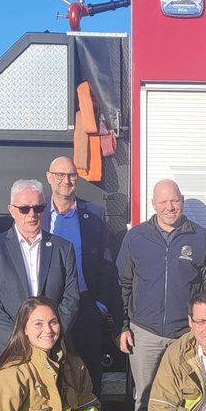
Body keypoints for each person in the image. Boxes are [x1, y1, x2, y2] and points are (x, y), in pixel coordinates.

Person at [117, 179, 206, 411]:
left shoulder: (201, 238)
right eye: (163, 202)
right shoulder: (136, 238)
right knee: (145, 398)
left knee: (188, 397)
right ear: (153, 204)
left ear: (181, 200)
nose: (170, 207)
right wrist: (122, 326)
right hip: (144, 332)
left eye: (175, 201)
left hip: (185, 336)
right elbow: (123, 284)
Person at [0, 179, 79, 363]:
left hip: (52, 347)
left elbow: (71, 296)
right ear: (11, 210)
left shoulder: (63, 248)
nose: (32, 214)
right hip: (6, 347)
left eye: (38, 208)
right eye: (24, 209)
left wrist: (51, 334)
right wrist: (18, 338)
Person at [45, 156, 122, 396]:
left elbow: (106, 263)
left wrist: (99, 305)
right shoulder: (38, 214)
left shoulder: (94, 214)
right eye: (60, 175)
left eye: (71, 175)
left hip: (85, 305)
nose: (66, 180)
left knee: (89, 372)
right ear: (49, 178)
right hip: (48, 307)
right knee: (49, 372)